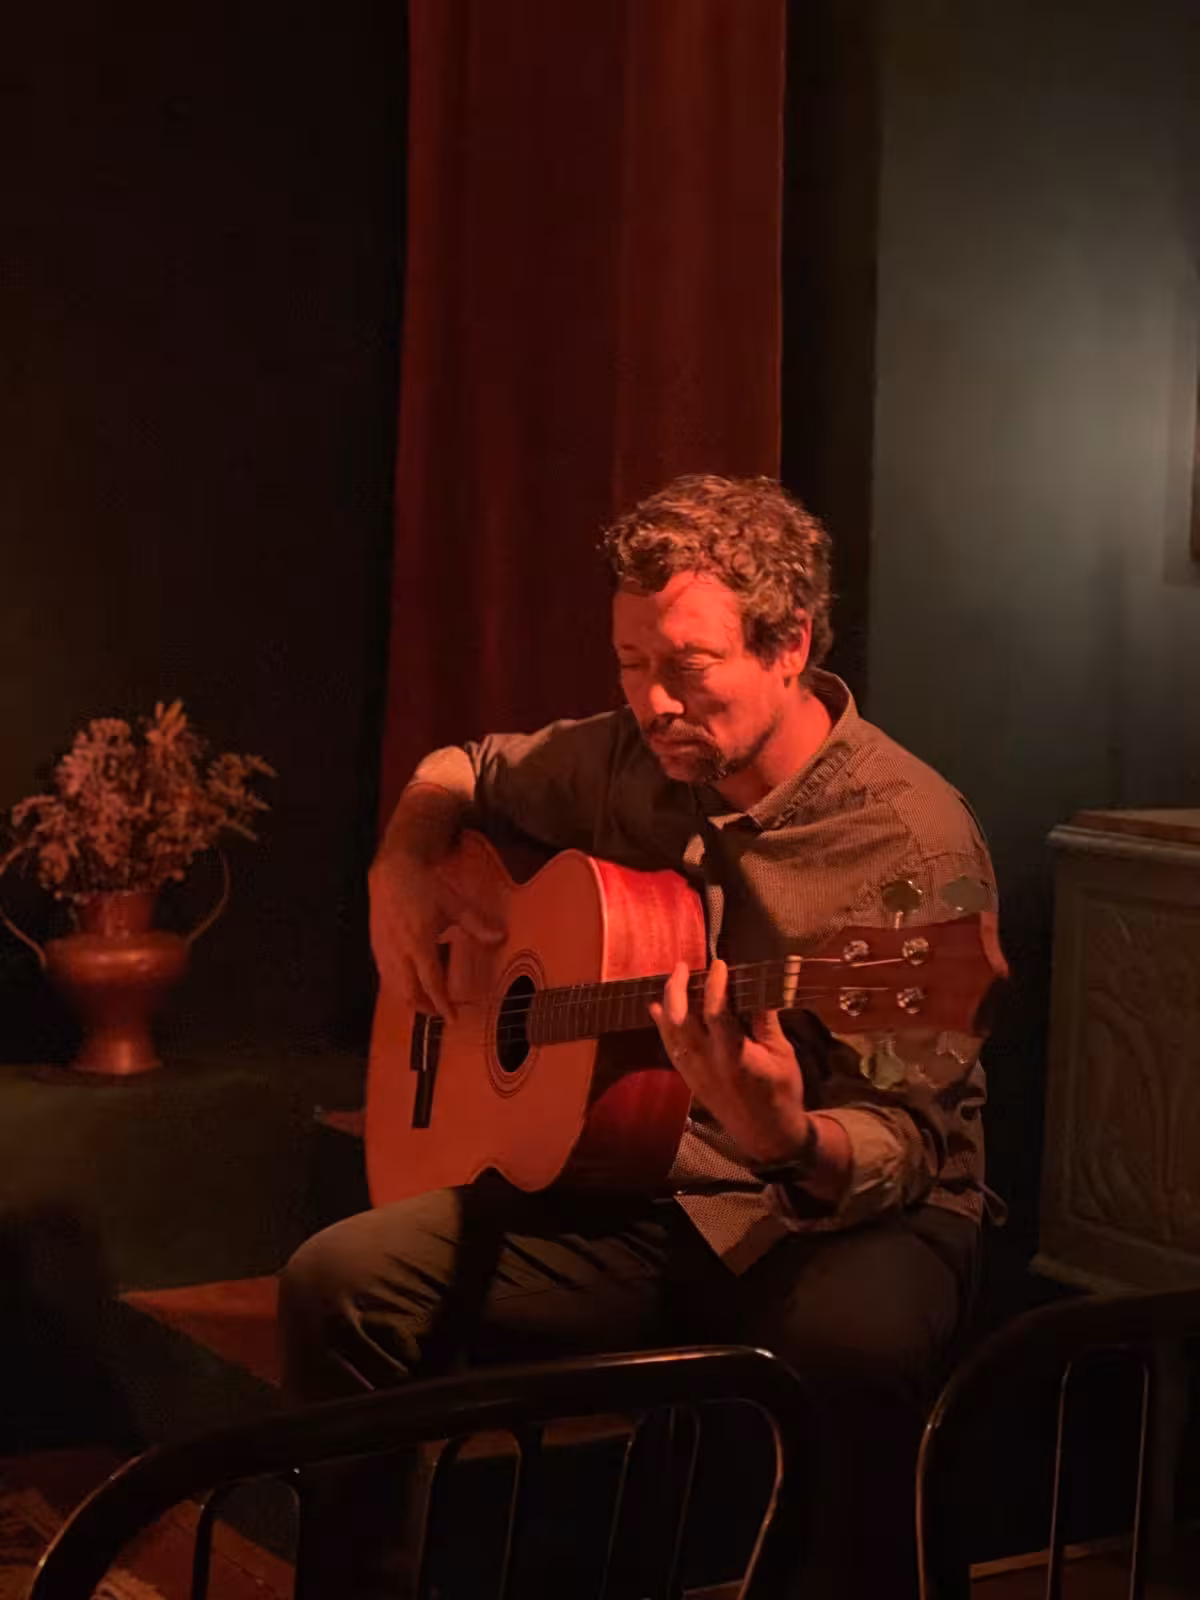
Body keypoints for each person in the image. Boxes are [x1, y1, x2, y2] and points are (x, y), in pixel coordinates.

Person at [279, 473, 998, 1598]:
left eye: (687, 666)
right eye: (629, 662)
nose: (653, 700)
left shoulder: (912, 838)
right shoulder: (627, 755)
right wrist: (404, 859)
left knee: (849, 1356)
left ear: (790, 643)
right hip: (654, 1183)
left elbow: (907, 1137)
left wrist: (786, 1136)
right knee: (343, 1279)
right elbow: (463, 767)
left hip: (857, 1218)